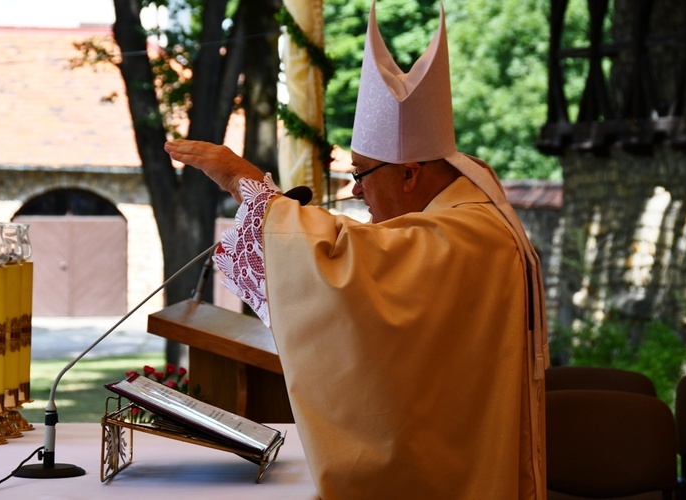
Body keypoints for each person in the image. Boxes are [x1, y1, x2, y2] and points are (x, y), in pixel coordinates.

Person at [165, 2, 549, 498]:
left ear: (410, 173)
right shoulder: (458, 222)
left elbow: (341, 261)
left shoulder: (469, 235)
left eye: (361, 173)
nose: (355, 191)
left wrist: (245, 184)